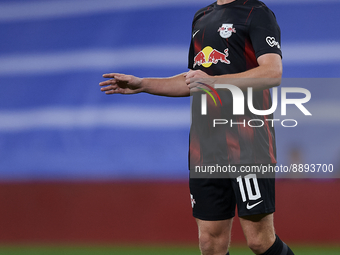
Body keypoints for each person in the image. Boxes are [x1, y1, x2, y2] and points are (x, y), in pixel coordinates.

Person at [99, 0, 294, 254]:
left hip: (247, 140)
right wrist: (143, 84)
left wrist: (214, 82)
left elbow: (272, 72)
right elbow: (195, 79)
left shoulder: (257, 13)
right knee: (210, 242)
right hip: (206, 144)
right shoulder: (201, 17)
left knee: (259, 240)